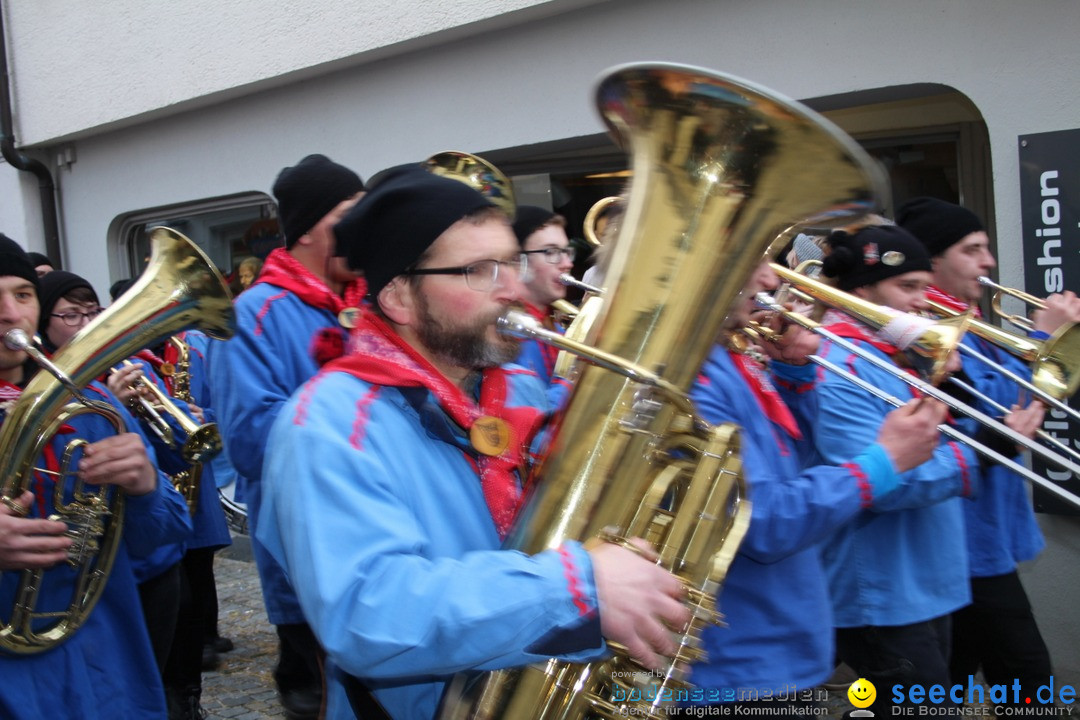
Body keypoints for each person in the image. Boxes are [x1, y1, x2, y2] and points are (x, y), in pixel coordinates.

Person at [257, 166, 690, 720]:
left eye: (511, 261)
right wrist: (577, 589)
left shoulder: (524, 390)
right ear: (399, 298)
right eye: (478, 270)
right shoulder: (326, 424)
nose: (513, 288)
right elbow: (369, 613)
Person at [685, 260, 947, 710]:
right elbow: (764, 522)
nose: (770, 281)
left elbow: (796, 462)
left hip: (777, 642)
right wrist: (883, 463)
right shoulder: (696, 376)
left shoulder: (726, 356)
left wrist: (794, 375)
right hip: (741, 663)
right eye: (753, 263)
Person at [811, 223, 1045, 715]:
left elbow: (935, 439)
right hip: (883, 592)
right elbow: (884, 482)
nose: (924, 301)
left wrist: (953, 385)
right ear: (861, 291)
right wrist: (986, 447)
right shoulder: (839, 364)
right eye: (908, 288)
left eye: (924, 286)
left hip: (927, 582)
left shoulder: (893, 355)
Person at [0, 233, 192, 719]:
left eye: (22, 295)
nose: (10, 314)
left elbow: (165, 537)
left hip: (107, 665)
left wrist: (146, 486)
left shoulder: (90, 405)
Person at [897, 197, 1080, 704]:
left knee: (945, 681)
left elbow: (1024, 409)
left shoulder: (974, 324)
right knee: (1026, 677)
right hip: (963, 538)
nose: (988, 262)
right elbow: (995, 412)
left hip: (987, 531)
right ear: (932, 261)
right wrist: (1045, 336)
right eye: (972, 249)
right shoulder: (926, 334)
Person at [207, 153, 366, 719]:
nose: (364, 222)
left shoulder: (369, 302)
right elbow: (250, 442)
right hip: (308, 548)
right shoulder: (254, 313)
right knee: (322, 695)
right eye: (350, 212)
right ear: (306, 229)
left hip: (378, 539)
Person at [510, 205, 575, 385]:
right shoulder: (507, 337)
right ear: (517, 260)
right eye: (551, 252)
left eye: (566, 252)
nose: (567, 263)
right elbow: (535, 409)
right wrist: (575, 377)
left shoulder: (555, 328)